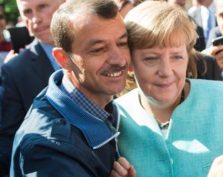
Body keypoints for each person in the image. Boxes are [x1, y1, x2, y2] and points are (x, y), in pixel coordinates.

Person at [111, 1, 223, 177]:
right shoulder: (113, 117)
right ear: (129, 63)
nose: (166, 71)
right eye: (150, 59)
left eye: (177, 57)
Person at [10, 0, 135, 176]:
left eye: (122, 43)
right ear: (63, 59)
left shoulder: (102, 107)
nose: (119, 60)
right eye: (99, 49)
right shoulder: (48, 148)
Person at [0, 0, 65, 175]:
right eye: (27, 11)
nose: (35, 18)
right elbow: (8, 140)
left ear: (64, 4)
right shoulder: (14, 71)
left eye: (43, 7)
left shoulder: (97, 47)